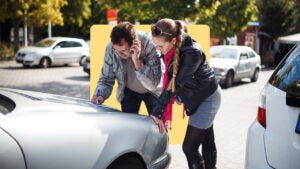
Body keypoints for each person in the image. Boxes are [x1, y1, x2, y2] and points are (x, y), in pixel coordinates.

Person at [150, 18, 221, 169]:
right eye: (156, 45)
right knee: (207, 140)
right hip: (196, 97)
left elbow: (175, 85)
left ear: (173, 40)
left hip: (207, 99)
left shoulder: (192, 53)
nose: (158, 49)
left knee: (189, 148)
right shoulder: (170, 49)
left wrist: (157, 112)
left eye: (160, 46)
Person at [91, 21, 162, 114]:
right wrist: (100, 95)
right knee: (128, 126)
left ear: (134, 44)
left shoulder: (151, 44)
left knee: (158, 126)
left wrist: (137, 62)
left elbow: (153, 84)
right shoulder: (111, 48)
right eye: (116, 50)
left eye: (123, 50)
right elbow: (106, 79)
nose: (119, 54)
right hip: (129, 91)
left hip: (153, 92)